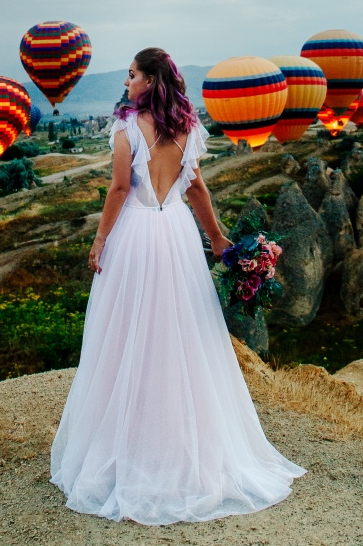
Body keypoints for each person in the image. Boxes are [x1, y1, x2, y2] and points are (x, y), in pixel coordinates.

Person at [50, 47, 305, 525]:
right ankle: (179, 439)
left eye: (131, 75)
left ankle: (131, 439)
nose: (126, 82)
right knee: (180, 332)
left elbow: (119, 189)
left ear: (149, 80)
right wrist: (217, 239)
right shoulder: (188, 128)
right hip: (177, 233)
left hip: (136, 235)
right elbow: (196, 189)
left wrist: (100, 239)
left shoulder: (126, 127)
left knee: (125, 332)